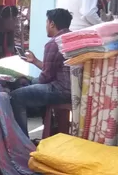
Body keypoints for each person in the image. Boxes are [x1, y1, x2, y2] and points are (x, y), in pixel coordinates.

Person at [10, 8, 73, 136]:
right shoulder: (71, 38)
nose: (46, 26)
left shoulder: (53, 43)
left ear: (52, 24)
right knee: (29, 83)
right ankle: (50, 130)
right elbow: (53, 69)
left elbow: (46, 78)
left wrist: (31, 82)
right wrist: (35, 61)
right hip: (71, 88)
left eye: (46, 22)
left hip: (60, 90)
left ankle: (23, 140)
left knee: (16, 96)